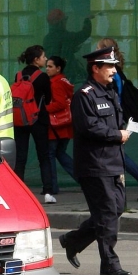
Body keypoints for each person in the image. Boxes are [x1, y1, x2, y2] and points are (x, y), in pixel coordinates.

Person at [58, 46, 131, 275]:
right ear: (96, 68)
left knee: (115, 208)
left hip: (113, 162)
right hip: (94, 165)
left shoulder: (110, 92)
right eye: (109, 66)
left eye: (114, 66)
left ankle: (73, 240)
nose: (113, 70)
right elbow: (89, 127)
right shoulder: (84, 95)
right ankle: (110, 264)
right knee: (108, 213)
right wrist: (116, 135)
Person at [97, 37, 138, 201]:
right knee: (115, 153)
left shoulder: (113, 73)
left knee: (115, 154)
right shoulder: (117, 71)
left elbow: (113, 97)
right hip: (117, 117)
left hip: (114, 118)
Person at [13, 45, 56, 203]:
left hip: (20, 120)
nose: (45, 59)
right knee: (44, 156)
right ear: (36, 59)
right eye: (43, 56)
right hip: (39, 119)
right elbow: (49, 99)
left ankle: (18, 191)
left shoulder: (18, 76)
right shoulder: (43, 77)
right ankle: (48, 192)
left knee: (20, 157)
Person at [45, 55, 77, 187]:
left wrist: (43, 109)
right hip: (66, 125)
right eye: (47, 66)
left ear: (58, 68)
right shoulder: (64, 81)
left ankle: (52, 185)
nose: (47, 69)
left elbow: (60, 104)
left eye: (50, 66)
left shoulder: (55, 83)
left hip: (55, 126)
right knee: (60, 153)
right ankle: (80, 178)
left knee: (50, 154)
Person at [42, 8, 93, 85]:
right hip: (67, 75)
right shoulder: (66, 37)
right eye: (65, 20)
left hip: (53, 75)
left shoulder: (47, 39)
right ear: (60, 23)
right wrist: (87, 20)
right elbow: (84, 34)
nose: (66, 22)